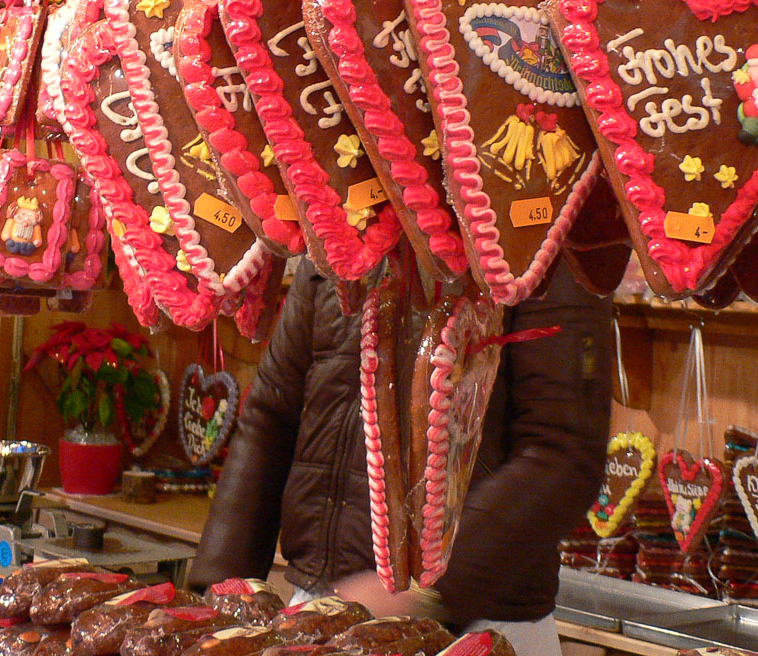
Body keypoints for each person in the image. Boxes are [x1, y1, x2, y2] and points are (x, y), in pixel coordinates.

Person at [189, 257, 612, 656]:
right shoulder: (343, 229)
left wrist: (426, 594)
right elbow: (269, 416)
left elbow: (563, 452)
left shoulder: (536, 244)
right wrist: (218, 594)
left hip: (473, 627)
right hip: (319, 611)